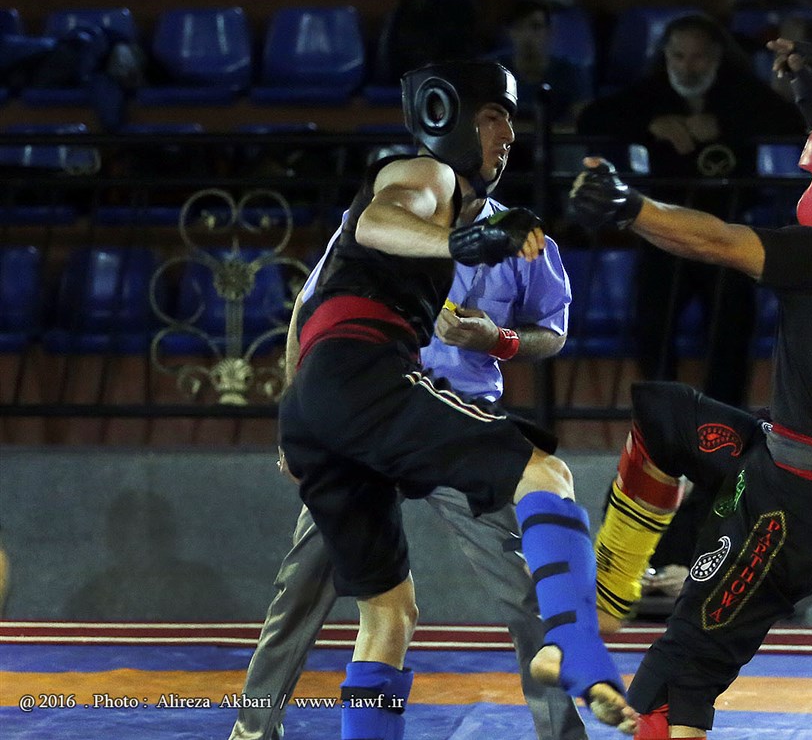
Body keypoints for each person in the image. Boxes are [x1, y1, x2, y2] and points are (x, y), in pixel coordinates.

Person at [569, 37, 812, 738]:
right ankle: (611, 593)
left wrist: (628, 205)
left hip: (793, 507)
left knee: (676, 677)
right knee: (666, 415)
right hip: (787, 468)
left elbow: (717, 241)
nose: (807, 190)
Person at [274, 59, 628, 740]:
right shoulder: (425, 174)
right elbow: (379, 222)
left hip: (331, 409)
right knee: (546, 472)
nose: (509, 136)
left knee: (388, 615)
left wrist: (294, 419)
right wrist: (459, 241)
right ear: (448, 116)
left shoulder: (496, 222)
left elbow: (549, 331)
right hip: (375, 387)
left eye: (511, 121)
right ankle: (579, 650)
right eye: (494, 117)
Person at [229, 177, 586, 738]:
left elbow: (553, 332)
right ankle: (252, 731)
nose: (504, 141)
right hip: (371, 413)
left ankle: (563, 736)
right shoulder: (390, 220)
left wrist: (498, 340)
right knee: (301, 590)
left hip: (455, 422)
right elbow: (308, 306)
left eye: (508, 132)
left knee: (526, 593)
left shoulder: (522, 237)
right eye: (491, 130)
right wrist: (295, 421)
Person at [576, 12, 807, 409]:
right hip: (664, 231)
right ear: (665, 56)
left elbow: (789, 120)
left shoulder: (738, 89)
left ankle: (725, 423)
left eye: (698, 57)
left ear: (716, 57)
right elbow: (590, 119)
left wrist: (723, 124)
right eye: (678, 56)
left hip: (728, 232)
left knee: (732, 327)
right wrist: (653, 124)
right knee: (652, 325)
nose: (687, 67)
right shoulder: (652, 91)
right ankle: (663, 422)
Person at [493, 0, 591, 126]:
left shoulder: (570, 72)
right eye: (519, 27)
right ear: (509, 32)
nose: (527, 35)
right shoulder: (495, 72)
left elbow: (582, 122)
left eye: (536, 27)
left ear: (549, 31)